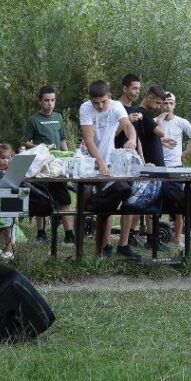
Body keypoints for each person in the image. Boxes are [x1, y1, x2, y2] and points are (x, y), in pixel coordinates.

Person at [78, 79, 137, 257]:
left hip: (110, 161)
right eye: (96, 103)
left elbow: (128, 125)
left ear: (109, 96)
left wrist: (132, 139)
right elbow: (89, 139)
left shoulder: (117, 106)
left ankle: (111, 245)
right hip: (88, 162)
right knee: (87, 203)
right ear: (90, 100)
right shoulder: (85, 108)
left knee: (113, 200)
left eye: (103, 101)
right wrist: (100, 163)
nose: (100, 106)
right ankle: (88, 245)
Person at [116, 84, 168, 259]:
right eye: (158, 102)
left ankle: (149, 238)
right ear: (149, 97)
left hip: (150, 163)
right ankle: (131, 239)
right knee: (138, 201)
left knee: (150, 201)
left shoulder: (142, 115)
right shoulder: (141, 113)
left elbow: (142, 139)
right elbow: (159, 132)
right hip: (138, 165)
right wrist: (160, 121)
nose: (159, 106)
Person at [21, 85, 74, 244]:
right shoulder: (33, 120)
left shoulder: (58, 117)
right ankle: (41, 233)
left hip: (57, 165)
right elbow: (25, 141)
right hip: (41, 165)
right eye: (46, 100)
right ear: (40, 101)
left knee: (64, 199)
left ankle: (69, 234)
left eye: (52, 100)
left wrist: (68, 157)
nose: (50, 104)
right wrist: (41, 147)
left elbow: (62, 140)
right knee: (41, 198)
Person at [159, 91, 191, 241]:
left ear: (175, 105)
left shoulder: (182, 122)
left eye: (171, 103)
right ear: (160, 104)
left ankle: (177, 238)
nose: (168, 106)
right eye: (165, 103)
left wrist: (183, 154)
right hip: (158, 167)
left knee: (178, 203)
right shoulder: (155, 121)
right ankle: (152, 237)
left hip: (176, 167)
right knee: (154, 201)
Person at [0, 144, 17, 259]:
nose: (6, 160)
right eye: (3, 158)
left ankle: (8, 250)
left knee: (8, 227)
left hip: (9, 202)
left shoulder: (12, 171)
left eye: (9, 158)